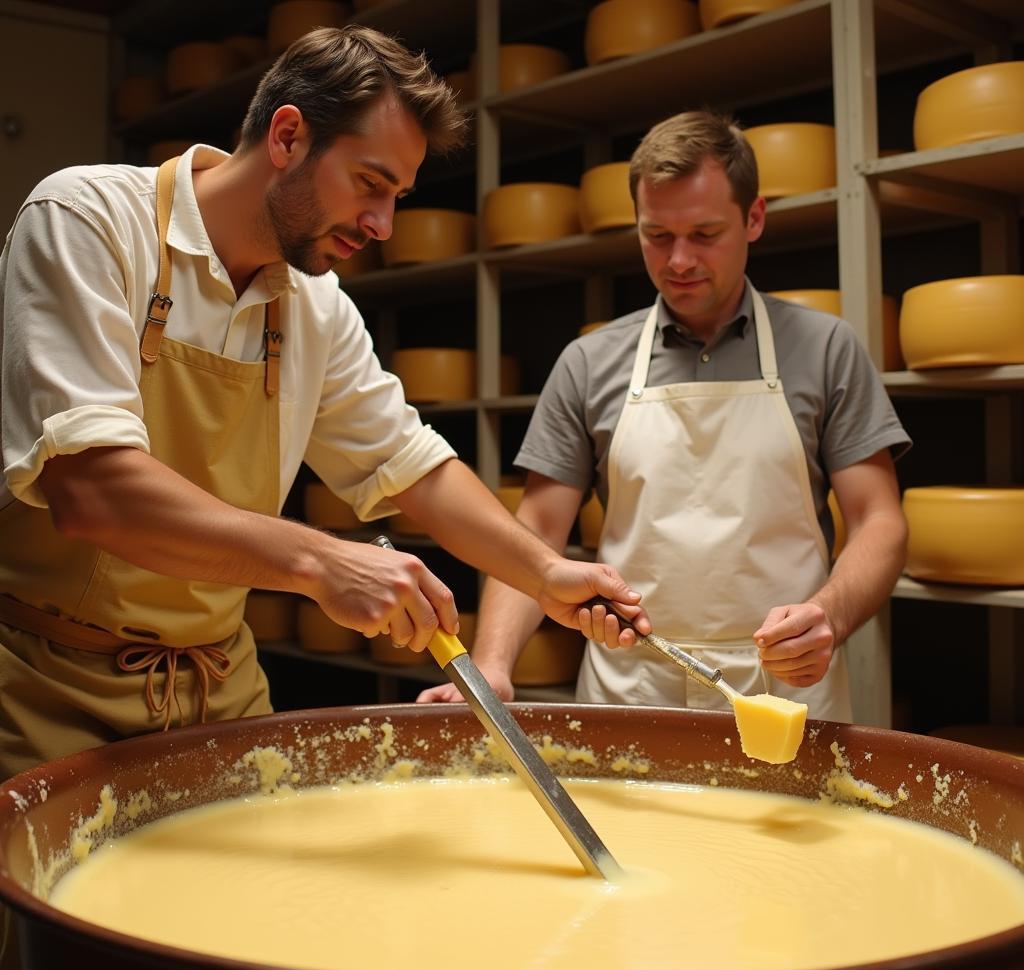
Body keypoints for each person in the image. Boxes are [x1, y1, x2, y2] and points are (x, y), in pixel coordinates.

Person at [0, 24, 650, 787]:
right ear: (286, 135)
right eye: (370, 184)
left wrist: (546, 573)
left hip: (218, 688)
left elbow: (412, 468)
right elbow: (94, 493)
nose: (383, 225)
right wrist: (320, 562)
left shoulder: (315, 305)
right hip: (50, 690)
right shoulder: (88, 221)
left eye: (398, 197)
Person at [419, 110, 910, 722]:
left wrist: (830, 618)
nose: (678, 260)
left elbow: (879, 520)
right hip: (632, 689)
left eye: (704, 234)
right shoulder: (590, 362)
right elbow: (537, 535)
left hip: (782, 688)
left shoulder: (825, 348)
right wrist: (493, 663)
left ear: (753, 219)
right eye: (657, 236)